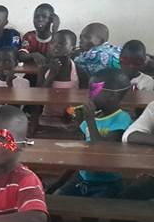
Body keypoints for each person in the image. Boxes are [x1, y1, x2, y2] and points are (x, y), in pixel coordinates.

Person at [55, 69, 133, 199]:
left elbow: (101, 150)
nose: (89, 95)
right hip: (82, 177)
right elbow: (82, 151)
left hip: (107, 183)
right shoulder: (93, 116)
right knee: (56, 198)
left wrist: (90, 120)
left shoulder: (122, 119)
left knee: (92, 208)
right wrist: (59, 183)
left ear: (112, 96)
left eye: (94, 90)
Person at [36, 30, 82, 128]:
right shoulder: (44, 69)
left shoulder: (79, 71)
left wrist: (70, 115)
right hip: (47, 117)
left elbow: (85, 100)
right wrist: (51, 75)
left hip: (71, 118)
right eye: (52, 43)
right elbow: (39, 98)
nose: (55, 46)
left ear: (73, 49)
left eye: (61, 44)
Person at [19, 3, 60, 68]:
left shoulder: (57, 38)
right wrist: (33, 55)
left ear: (52, 20)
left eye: (44, 17)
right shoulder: (29, 36)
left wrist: (55, 30)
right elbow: (21, 56)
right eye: (36, 17)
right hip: (31, 73)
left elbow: (54, 57)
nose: (40, 19)